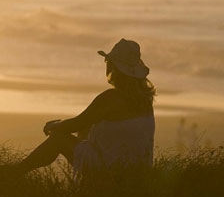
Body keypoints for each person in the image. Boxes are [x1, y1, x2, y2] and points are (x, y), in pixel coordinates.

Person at [14, 38, 156, 183]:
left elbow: (76, 123)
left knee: (58, 138)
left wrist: (54, 126)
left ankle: (13, 173)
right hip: (136, 174)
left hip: (111, 173)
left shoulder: (111, 98)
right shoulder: (145, 101)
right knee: (88, 129)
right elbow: (86, 124)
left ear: (114, 68)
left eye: (108, 63)